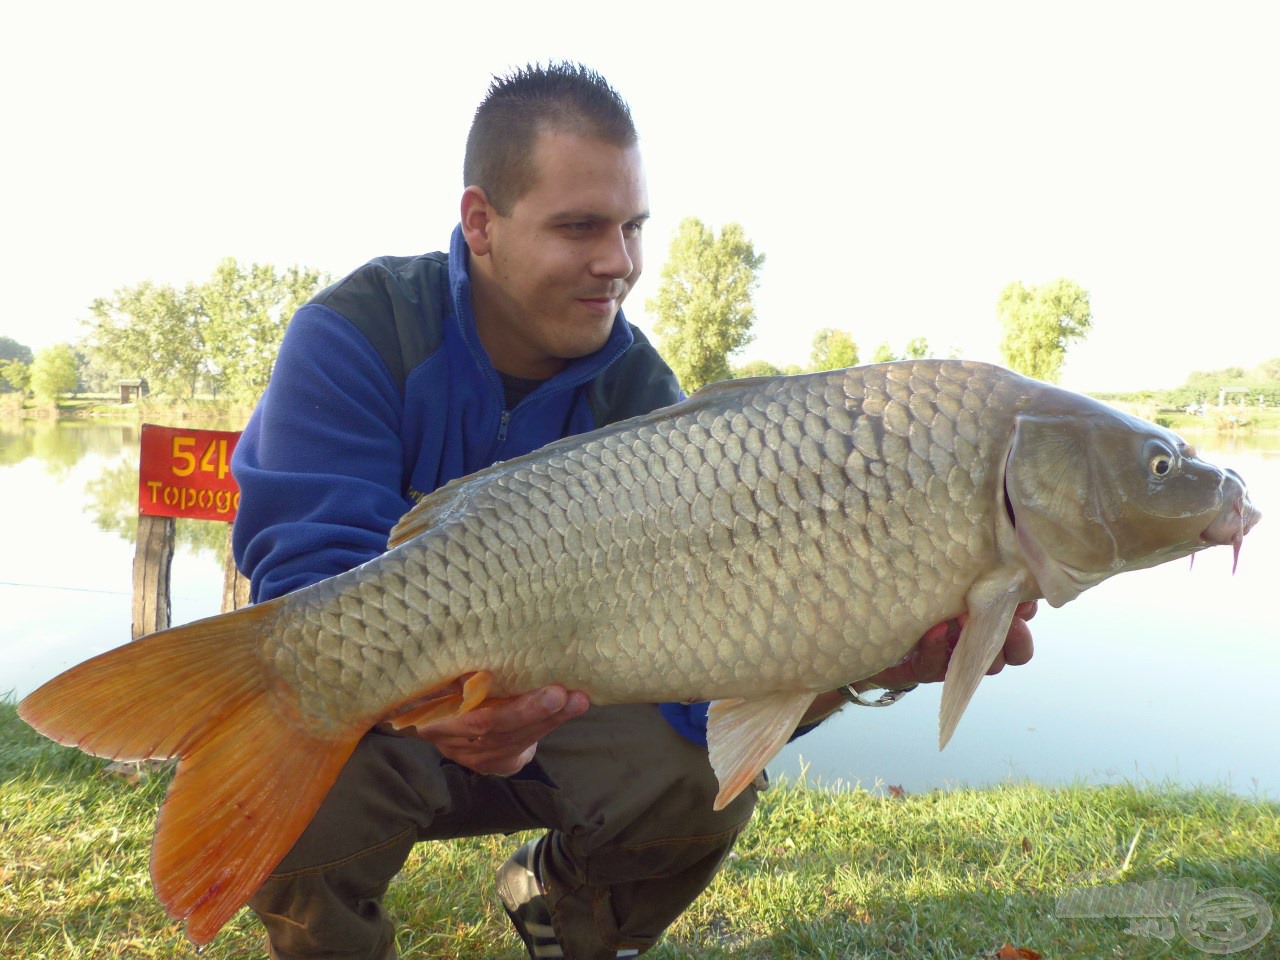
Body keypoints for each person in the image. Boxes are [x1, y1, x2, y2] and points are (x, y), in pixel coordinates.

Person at [230, 62, 1036, 960]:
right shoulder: (363, 329)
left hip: (560, 718)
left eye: (632, 226)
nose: (618, 261)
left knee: (698, 783)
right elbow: (308, 571)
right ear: (481, 221)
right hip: (393, 719)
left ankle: (561, 909)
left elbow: (709, 685)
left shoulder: (644, 394)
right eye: (579, 227)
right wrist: (418, 705)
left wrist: (862, 657)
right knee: (296, 756)